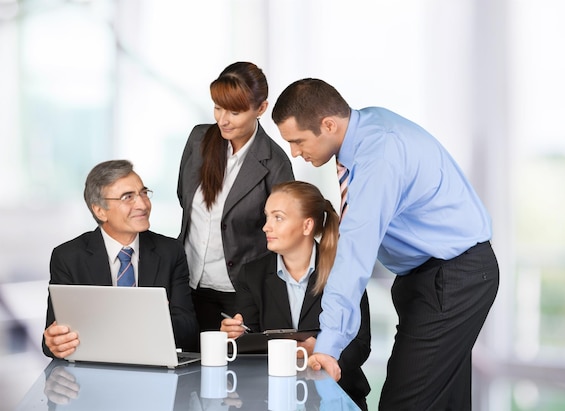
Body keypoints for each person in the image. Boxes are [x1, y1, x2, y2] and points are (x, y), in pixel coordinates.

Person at [271, 78, 500, 410]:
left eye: (298, 141)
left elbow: (354, 255)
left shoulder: (378, 157)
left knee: (401, 404)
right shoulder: (366, 128)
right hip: (435, 276)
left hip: (453, 278)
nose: (294, 152)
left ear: (328, 124)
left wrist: (328, 344)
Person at [221, 181, 371, 410]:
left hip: (337, 395)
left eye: (278, 218)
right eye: (267, 216)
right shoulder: (251, 274)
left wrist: (320, 351)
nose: (266, 227)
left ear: (307, 225)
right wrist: (236, 335)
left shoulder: (344, 271)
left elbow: (360, 344)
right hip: (272, 397)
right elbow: (249, 344)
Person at [177, 62, 294, 337]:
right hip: (188, 285)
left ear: (261, 109)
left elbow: (281, 232)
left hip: (240, 295)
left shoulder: (275, 163)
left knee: (232, 372)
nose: (223, 120)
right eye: (218, 107)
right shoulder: (198, 139)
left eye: (235, 111)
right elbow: (184, 198)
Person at [42, 160, 198, 359]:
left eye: (143, 193)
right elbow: (53, 340)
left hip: (154, 367)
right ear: (100, 210)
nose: (142, 204)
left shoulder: (169, 251)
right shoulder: (68, 257)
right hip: (92, 372)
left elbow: (189, 331)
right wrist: (55, 342)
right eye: (128, 197)